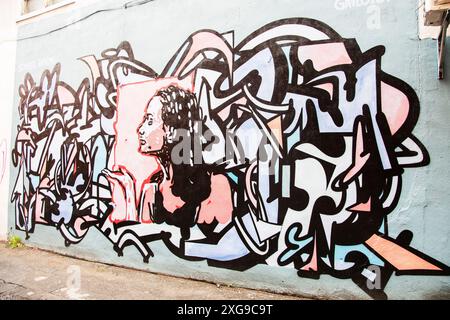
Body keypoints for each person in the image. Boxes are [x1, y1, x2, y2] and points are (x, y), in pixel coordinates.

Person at [104, 85, 233, 240]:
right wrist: (129, 193)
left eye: (150, 120)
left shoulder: (215, 184)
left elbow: (220, 242)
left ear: (172, 129)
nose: (141, 129)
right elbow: (141, 240)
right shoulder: (152, 188)